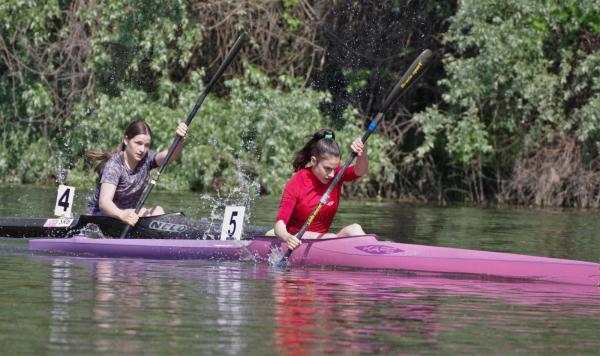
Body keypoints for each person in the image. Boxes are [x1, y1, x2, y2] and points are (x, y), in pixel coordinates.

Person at [274, 129, 368, 250]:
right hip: (296, 237)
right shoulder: (297, 182)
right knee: (331, 237)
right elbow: (279, 224)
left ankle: (376, 255)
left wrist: (362, 153)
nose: (332, 175)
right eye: (327, 168)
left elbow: (360, 171)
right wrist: (287, 237)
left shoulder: (337, 175)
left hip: (326, 238)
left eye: (334, 169)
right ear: (313, 161)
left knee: (355, 228)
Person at [85, 120, 188, 226]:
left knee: (158, 211)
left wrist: (179, 139)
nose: (142, 149)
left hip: (129, 217)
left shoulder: (146, 159)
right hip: (99, 219)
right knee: (141, 212)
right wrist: (122, 215)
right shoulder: (114, 166)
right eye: (138, 143)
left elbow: (170, 156)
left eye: (146, 145)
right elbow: (104, 203)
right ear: (126, 140)